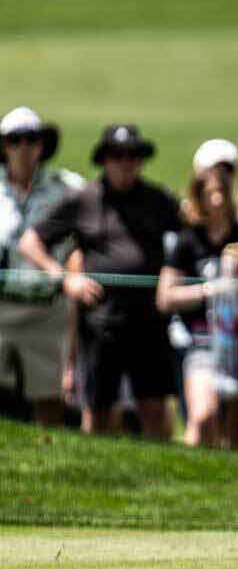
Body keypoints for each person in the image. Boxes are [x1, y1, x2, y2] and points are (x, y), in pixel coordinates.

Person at [16, 124, 182, 439]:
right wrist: (65, 279)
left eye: (132, 155)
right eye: (117, 155)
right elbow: (30, 242)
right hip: (101, 321)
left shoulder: (158, 199)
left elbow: (188, 237)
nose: (125, 162)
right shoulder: (84, 199)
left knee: (155, 407)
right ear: (105, 159)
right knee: (98, 409)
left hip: (149, 320)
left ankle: (161, 474)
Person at [157, 165, 238, 448]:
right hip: (201, 341)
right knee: (203, 416)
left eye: (222, 192)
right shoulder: (187, 242)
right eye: (209, 194)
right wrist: (209, 290)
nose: (217, 201)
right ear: (198, 198)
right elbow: (165, 298)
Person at [0, 108, 85, 426]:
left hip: (47, 307)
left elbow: (86, 234)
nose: (23, 148)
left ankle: (48, 463)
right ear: (4, 146)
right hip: (2, 305)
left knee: (48, 399)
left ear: (42, 145)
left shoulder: (67, 187)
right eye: (14, 140)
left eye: (31, 139)